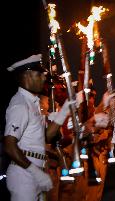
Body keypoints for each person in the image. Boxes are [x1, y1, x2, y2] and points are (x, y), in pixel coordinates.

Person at [3, 54, 71, 201]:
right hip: (24, 174)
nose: (44, 78)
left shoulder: (33, 104)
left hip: (35, 170)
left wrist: (64, 111)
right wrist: (35, 172)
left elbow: (46, 137)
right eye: (39, 74)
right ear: (27, 75)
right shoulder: (20, 104)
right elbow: (9, 145)